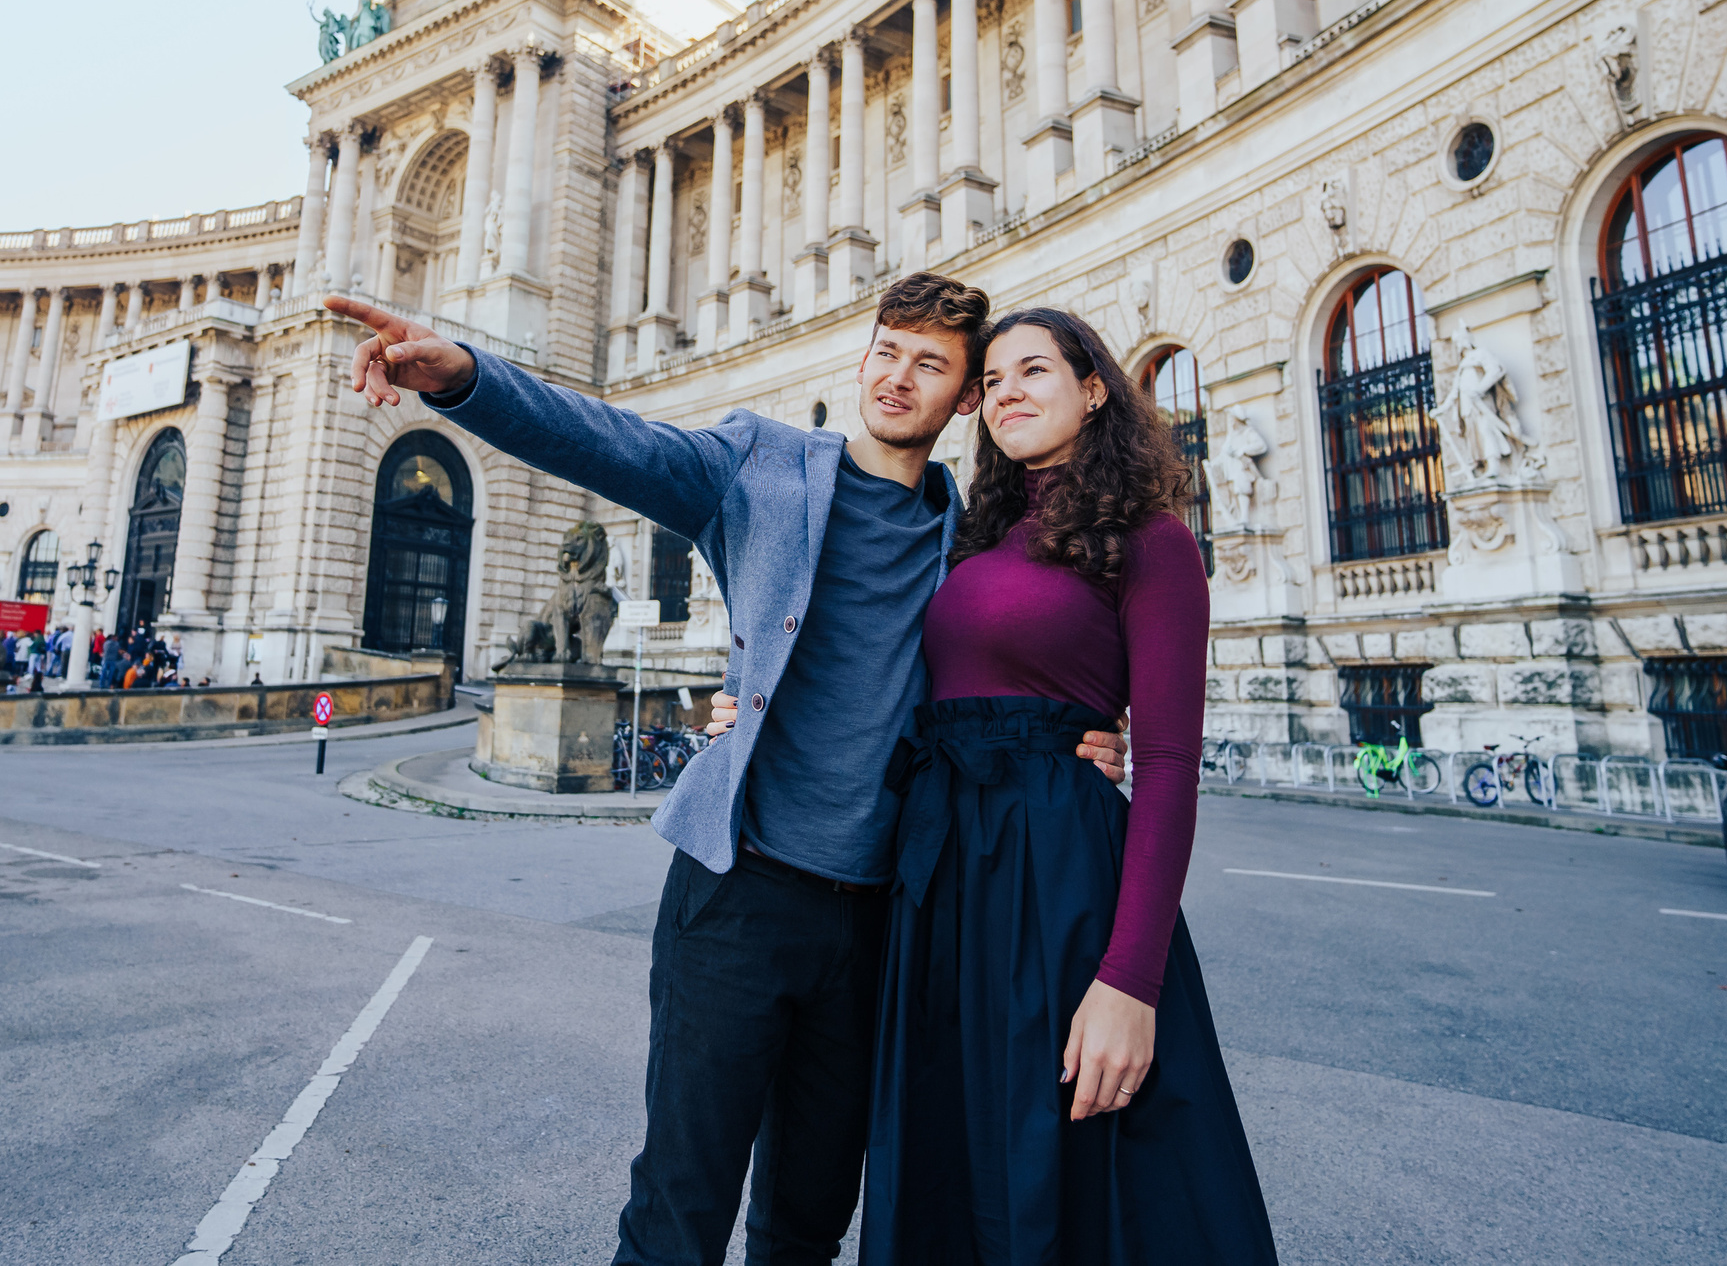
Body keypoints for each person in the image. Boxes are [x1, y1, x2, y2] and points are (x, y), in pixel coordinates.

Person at [327, 277, 1127, 1266]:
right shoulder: (762, 466)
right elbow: (609, 443)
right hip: (737, 890)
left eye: (929, 364)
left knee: (807, 1221)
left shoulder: (960, 540)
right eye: (887, 349)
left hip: (878, 919)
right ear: (862, 355)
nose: (897, 376)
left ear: (963, 399)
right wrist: (464, 380)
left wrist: (1085, 727)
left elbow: (1019, 654)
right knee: (678, 1207)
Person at [853, 308, 1277, 1264]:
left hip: (1059, 881)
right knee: (951, 1160)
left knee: (1074, 1167)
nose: (1005, 391)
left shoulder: (1153, 537)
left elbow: (1167, 763)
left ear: (1094, 389)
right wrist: (741, 700)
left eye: (1032, 370)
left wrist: (1132, 980)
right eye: (993, 379)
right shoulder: (969, 533)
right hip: (943, 878)